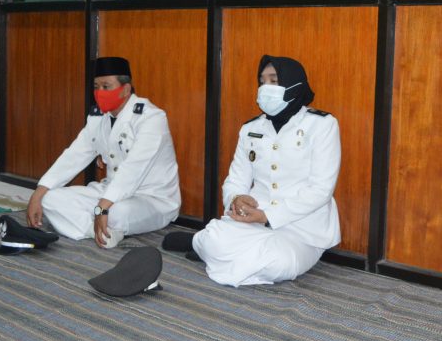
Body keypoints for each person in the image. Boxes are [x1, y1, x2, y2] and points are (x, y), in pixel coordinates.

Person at [167, 55, 341, 287]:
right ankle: (209, 246)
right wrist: (236, 198)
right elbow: (236, 178)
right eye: (262, 81)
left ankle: (212, 252)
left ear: (294, 84)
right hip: (254, 219)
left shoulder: (322, 124)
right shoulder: (251, 128)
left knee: (280, 263)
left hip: (303, 228)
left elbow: (321, 190)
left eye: (274, 81)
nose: (265, 87)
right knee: (214, 239)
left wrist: (268, 216)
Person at [22, 56, 180, 247]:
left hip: (150, 198)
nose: (100, 92)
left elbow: (134, 168)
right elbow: (75, 155)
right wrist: (38, 193)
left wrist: (102, 207)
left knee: (115, 213)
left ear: (126, 89)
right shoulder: (99, 117)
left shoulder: (151, 117)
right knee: (49, 199)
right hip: (109, 189)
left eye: (106, 86)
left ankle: (97, 224)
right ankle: (99, 233)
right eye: (96, 87)